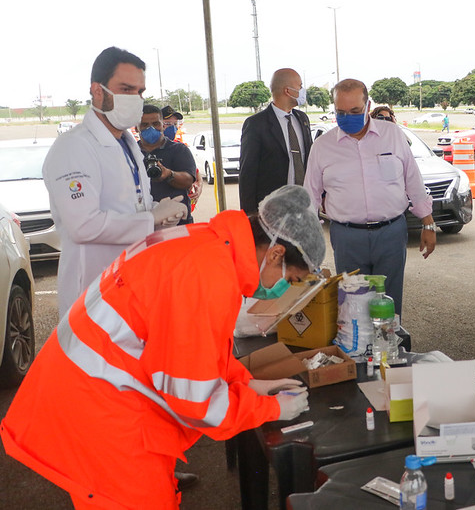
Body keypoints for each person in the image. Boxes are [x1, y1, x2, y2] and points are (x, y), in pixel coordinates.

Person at [0, 185, 324, 509]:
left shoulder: (207, 243)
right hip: (101, 411)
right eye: (292, 279)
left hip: (95, 388)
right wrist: (272, 409)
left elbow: (193, 348)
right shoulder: (207, 276)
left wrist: (247, 382)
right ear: (276, 254)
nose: (283, 289)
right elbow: (196, 403)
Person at [42, 46, 187, 319]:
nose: (136, 99)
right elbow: (84, 226)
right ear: (98, 91)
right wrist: (150, 220)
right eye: (126, 89)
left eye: (140, 92)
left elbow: (127, 203)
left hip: (130, 281)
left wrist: (157, 211)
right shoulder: (73, 147)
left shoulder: (127, 143)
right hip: (93, 291)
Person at [304, 78, 435, 316]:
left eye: (354, 111)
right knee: (354, 308)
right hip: (346, 237)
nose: (348, 117)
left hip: (391, 233)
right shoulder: (322, 147)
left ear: (368, 105)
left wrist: (429, 224)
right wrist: (307, 245)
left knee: (390, 304)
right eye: (340, 112)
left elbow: (413, 180)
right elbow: (310, 196)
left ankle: (393, 350)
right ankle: (357, 353)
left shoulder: (392, 134)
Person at [239, 68, 312, 215]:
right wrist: (250, 215)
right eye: (300, 86)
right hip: (272, 210)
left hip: (303, 207)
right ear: (288, 91)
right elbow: (248, 173)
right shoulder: (256, 124)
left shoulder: (302, 119)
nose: (303, 90)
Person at [137, 105, 197, 224]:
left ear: (163, 125)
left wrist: (169, 174)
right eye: (144, 125)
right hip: (142, 225)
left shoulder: (179, 150)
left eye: (155, 124)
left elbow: (188, 181)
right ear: (136, 127)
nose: (151, 128)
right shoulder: (130, 153)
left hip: (177, 223)